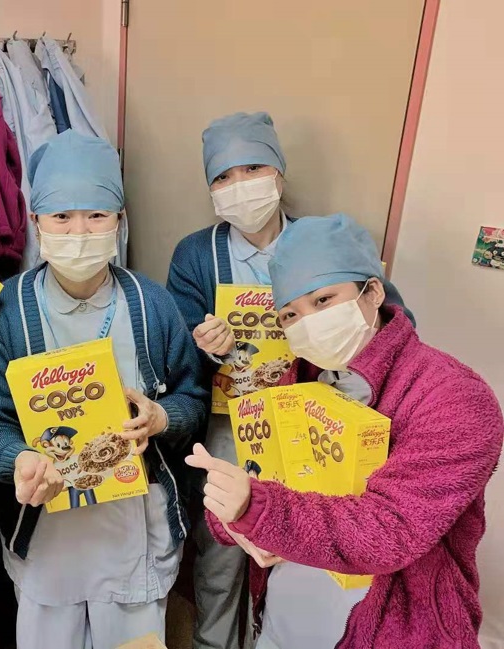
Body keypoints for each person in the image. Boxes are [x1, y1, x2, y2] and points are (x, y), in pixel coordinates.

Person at [186, 214, 504, 649]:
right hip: (284, 612)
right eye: (290, 315)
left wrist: (256, 509)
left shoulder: (453, 397)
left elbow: (390, 530)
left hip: (392, 628)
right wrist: (232, 516)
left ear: (372, 292)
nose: (308, 322)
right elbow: (259, 482)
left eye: (323, 300)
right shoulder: (296, 381)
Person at [166, 113, 411, 649]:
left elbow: (391, 321)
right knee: (222, 553)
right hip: (233, 421)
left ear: (278, 172)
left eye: (253, 167)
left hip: (318, 418)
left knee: (304, 542)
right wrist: (209, 346)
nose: (240, 184)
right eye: (223, 176)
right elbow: (176, 356)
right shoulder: (196, 255)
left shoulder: (323, 241)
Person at [0, 130, 208, 648]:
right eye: (61, 216)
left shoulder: (153, 306)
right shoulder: (7, 310)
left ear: (119, 219)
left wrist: (162, 418)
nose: (79, 231)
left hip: (134, 528)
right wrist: (18, 460)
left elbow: (193, 399)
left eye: (97, 215)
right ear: (36, 221)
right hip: (47, 532)